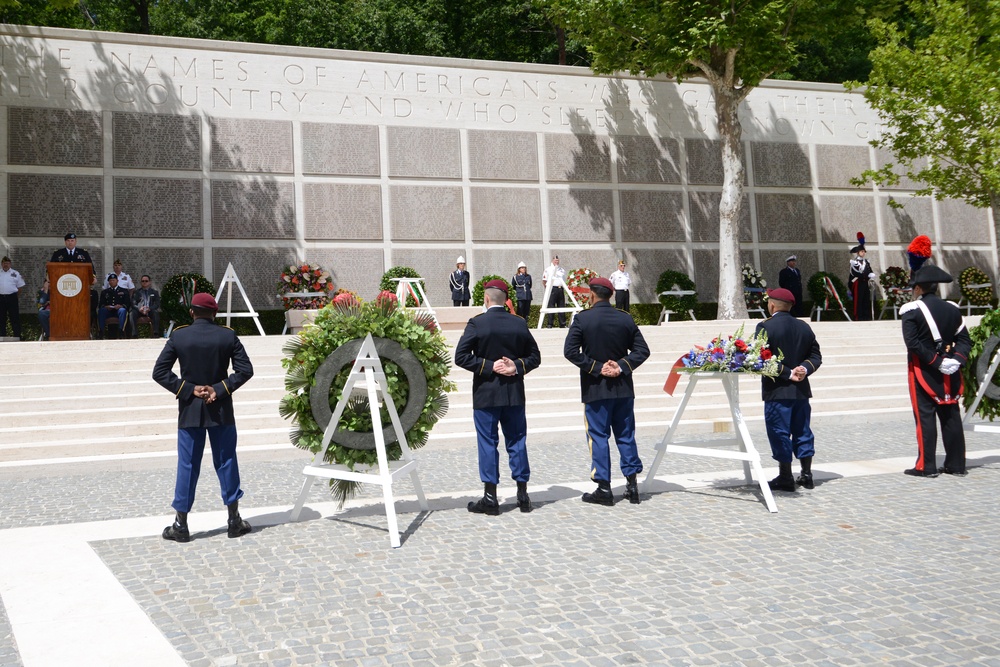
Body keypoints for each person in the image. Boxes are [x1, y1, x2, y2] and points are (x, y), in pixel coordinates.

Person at [153, 292, 254, 542]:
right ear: (215, 313)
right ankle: (233, 521)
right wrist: (219, 389)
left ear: (191, 312)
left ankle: (181, 525)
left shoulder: (179, 335)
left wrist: (188, 389)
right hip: (220, 409)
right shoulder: (227, 335)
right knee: (226, 461)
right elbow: (245, 370)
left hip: (190, 411)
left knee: (187, 465)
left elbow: (159, 372)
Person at [454, 280, 541, 514]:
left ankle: (490, 497)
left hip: (486, 395)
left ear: (486, 298)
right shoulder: (519, 323)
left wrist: (489, 366)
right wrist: (516, 366)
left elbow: (460, 357)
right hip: (514, 394)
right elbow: (535, 357)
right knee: (517, 441)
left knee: (487, 443)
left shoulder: (478, 323)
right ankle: (523, 495)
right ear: (505, 300)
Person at [563, 277, 650, 505]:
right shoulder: (625, 318)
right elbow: (642, 350)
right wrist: (621, 366)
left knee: (598, 436)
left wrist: (597, 367)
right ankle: (632, 486)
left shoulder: (583, 319)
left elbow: (570, 351)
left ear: (592, 294)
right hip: (623, 389)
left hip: (595, 389)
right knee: (625, 435)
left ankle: (603, 487)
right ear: (610, 295)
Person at [900, 263, 971, 477]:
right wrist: (956, 359)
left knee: (925, 417)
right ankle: (956, 465)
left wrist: (935, 361)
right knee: (951, 416)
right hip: (950, 371)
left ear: (919, 289)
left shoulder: (911, 311)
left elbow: (912, 343)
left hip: (923, 369)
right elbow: (964, 339)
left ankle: (926, 466)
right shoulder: (952, 309)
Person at [755, 288, 823, 491]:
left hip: (777, 391)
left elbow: (761, 359)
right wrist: (804, 369)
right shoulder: (804, 327)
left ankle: (785, 476)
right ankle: (806, 475)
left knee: (779, 432)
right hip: (801, 390)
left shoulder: (765, 326)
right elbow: (816, 356)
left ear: (772, 305)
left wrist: (787, 372)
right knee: (803, 431)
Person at [849, 233, 875, 321]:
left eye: (864, 251)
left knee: (866, 299)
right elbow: (855, 273)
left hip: (865, 283)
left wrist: (871, 274)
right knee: (858, 300)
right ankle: (858, 316)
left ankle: (866, 316)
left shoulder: (866, 262)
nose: (863, 253)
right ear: (858, 252)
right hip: (858, 283)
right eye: (862, 251)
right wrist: (866, 275)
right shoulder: (854, 262)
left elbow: (869, 270)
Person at [97, 273, 131, 338]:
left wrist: (121, 306)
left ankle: (121, 331)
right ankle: (101, 331)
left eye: (113, 280)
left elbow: (127, 303)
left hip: (118, 311)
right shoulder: (105, 292)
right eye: (110, 280)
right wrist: (106, 306)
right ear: (108, 282)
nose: (112, 282)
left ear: (117, 281)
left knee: (123, 310)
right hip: (108, 311)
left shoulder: (124, 291)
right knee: (101, 311)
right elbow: (101, 304)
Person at [0, 256, 25, 339]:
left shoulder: (15, 273)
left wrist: (15, 296)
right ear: (1, 264)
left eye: (7, 263)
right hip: (1, 298)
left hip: (12, 297)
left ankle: (17, 336)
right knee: (1, 318)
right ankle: (1, 336)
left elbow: (20, 287)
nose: (5, 265)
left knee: (14, 318)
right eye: (4, 263)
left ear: (10, 264)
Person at [542, 255, 567, 328]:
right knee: (551, 306)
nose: (557, 261)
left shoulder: (561, 269)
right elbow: (544, 280)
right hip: (552, 289)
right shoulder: (548, 269)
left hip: (560, 289)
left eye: (558, 260)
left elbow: (564, 279)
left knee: (561, 306)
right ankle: (550, 324)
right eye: (555, 260)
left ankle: (562, 324)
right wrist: (548, 289)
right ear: (552, 260)